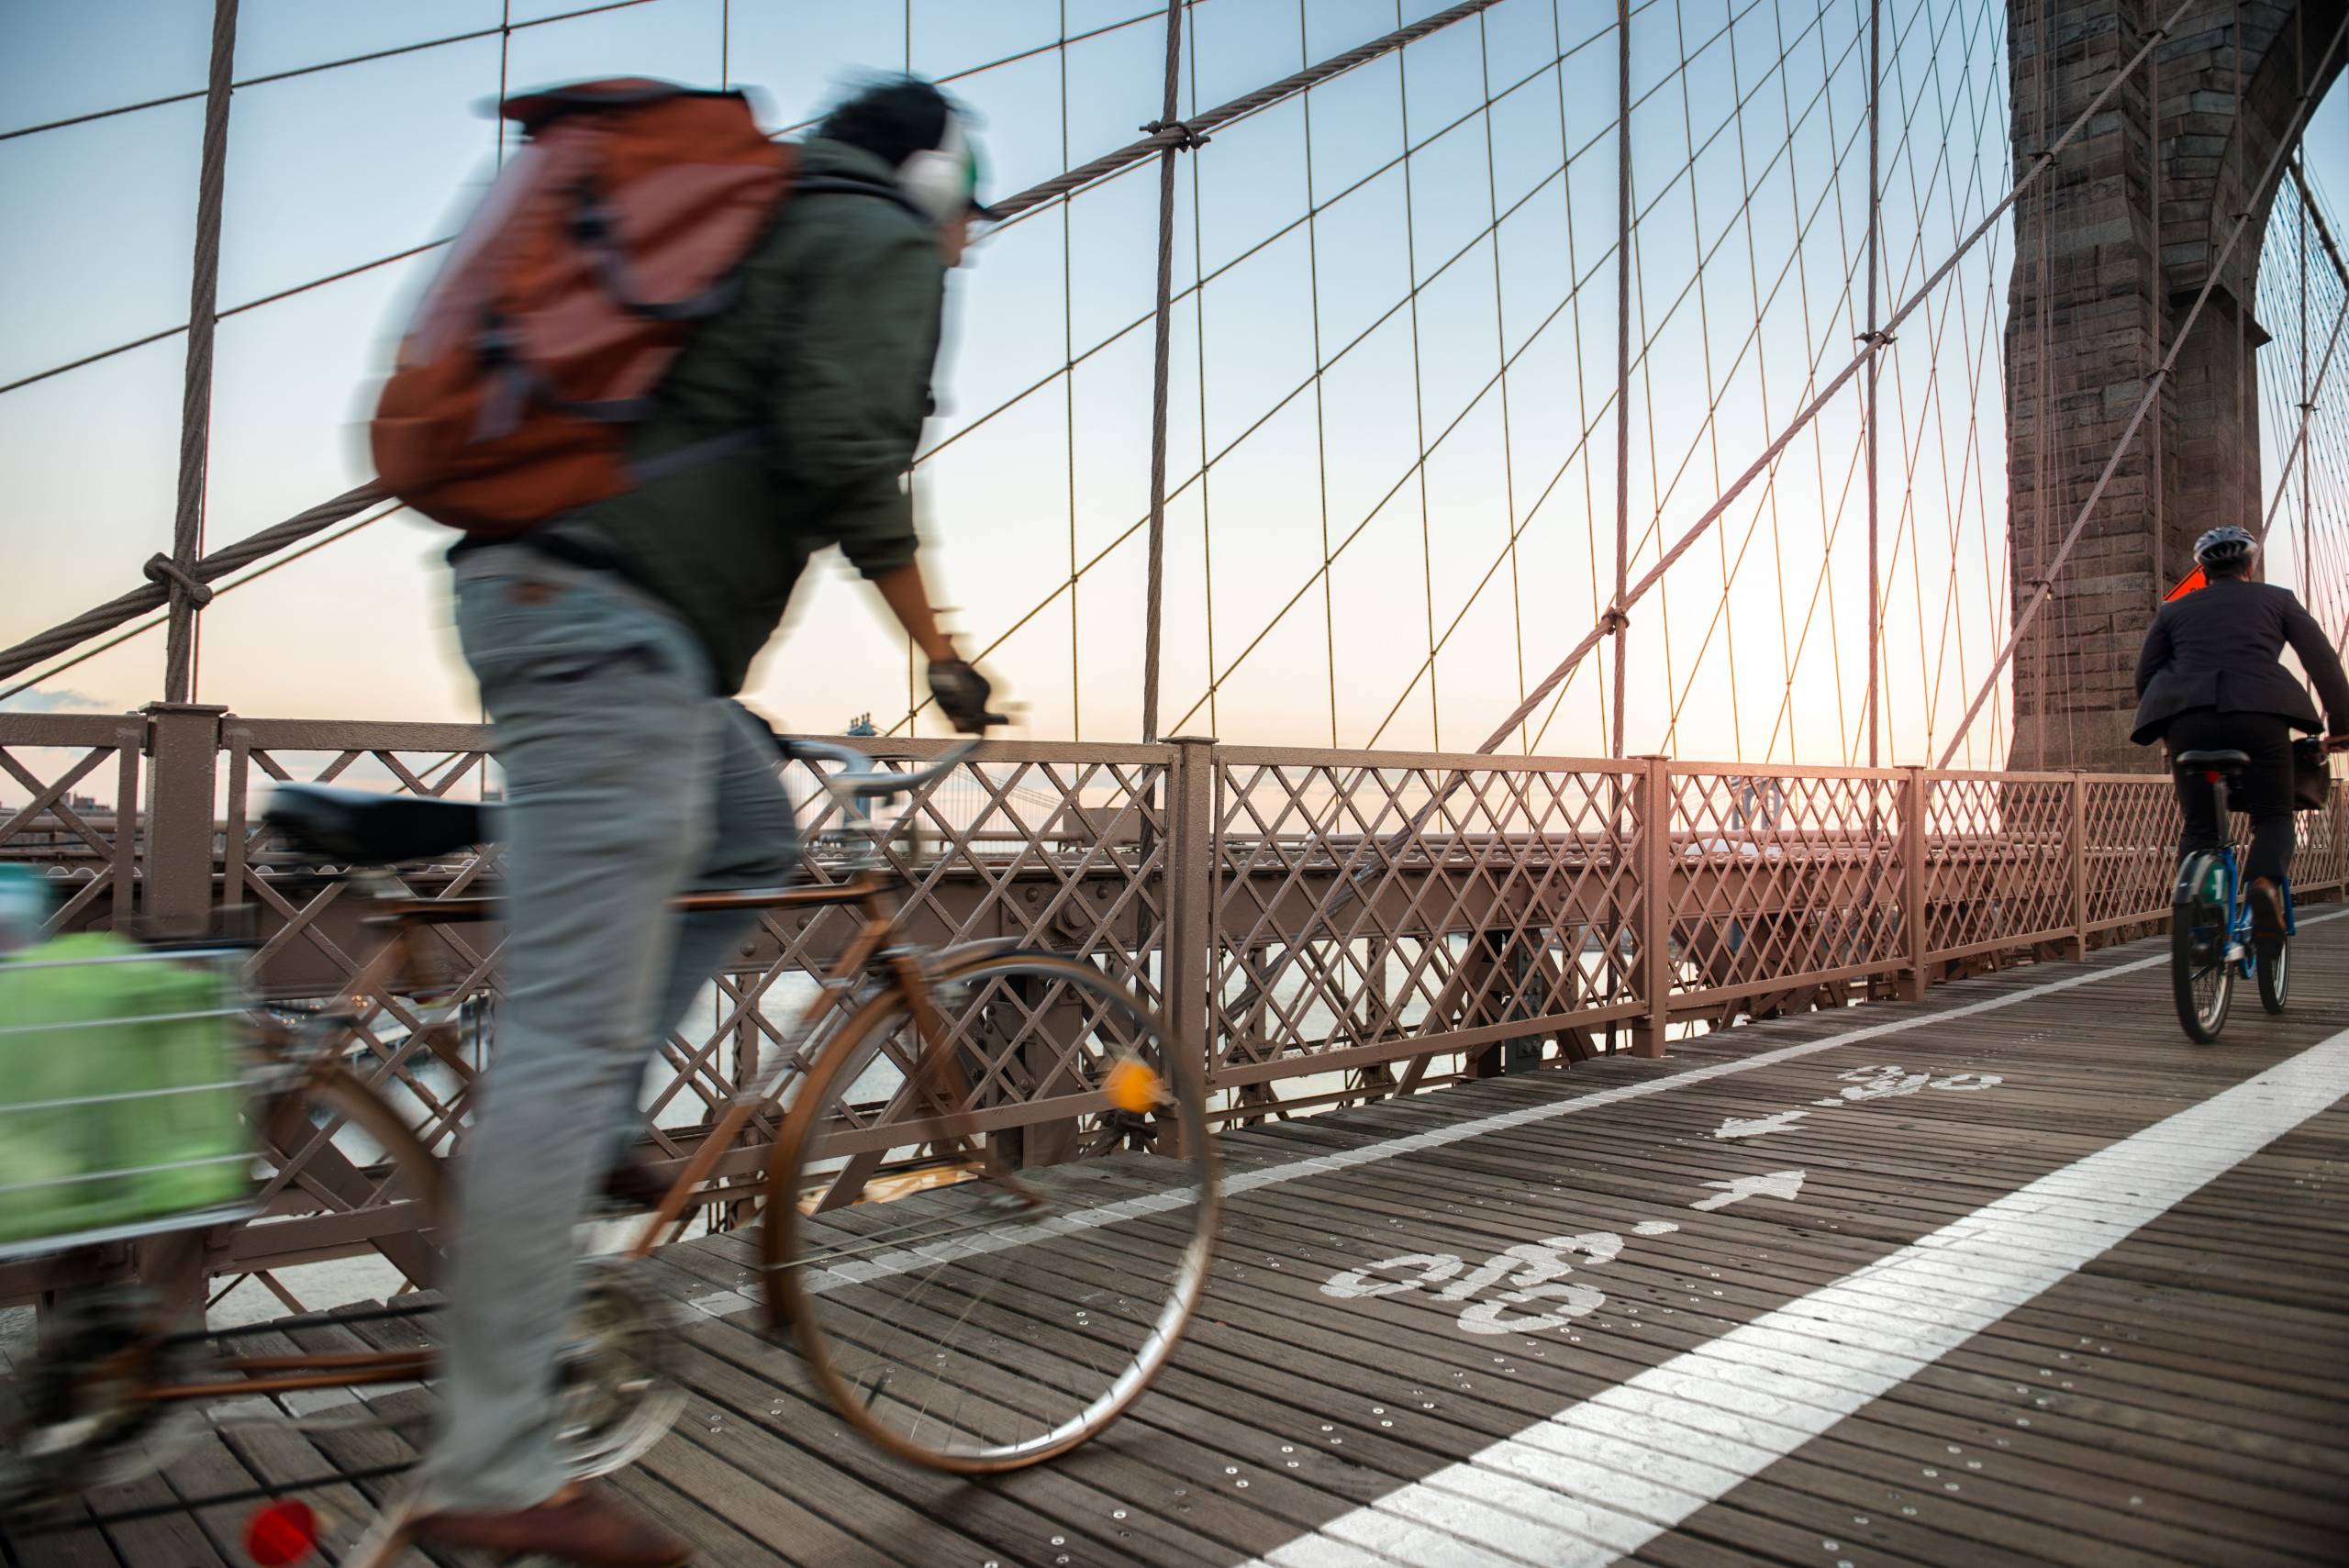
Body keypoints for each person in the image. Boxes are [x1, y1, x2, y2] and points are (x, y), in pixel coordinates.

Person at [408, 79, 1002, 1567]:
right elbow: (841, 445)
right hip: (607, 624)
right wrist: (940, 646)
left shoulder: (764, 213)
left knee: (746, 828)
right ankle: (493, 1458)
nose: (976, 228)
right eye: (973, 197)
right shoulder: (871, 236)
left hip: (604, 616)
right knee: (560, 1029)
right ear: (931, 175)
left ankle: (603, 1118)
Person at [2132, 525, 2349, 935]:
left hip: (2187, 721)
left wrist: (2167, 727)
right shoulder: (2277, 600)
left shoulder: (2174, 610)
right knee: (2273, 815)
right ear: (2250, 564)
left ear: (2204, 571)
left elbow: (2146, 676)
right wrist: (2341, 727)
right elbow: (2323, 663)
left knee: (2199, 827)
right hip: (2260, 717)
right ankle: (2264, 884)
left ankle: (2201, 921)